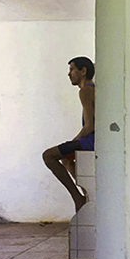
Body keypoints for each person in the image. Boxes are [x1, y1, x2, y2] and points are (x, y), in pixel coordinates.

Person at [42, 56, 95, 212]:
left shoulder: (86, 90)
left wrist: (72, 142)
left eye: (72, 69)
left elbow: (90, 126)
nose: (69, 74)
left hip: (90, 141)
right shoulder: (91, 89)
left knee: (48, 156)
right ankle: (86, 195)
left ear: (83, 71)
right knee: (66, 160)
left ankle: (78, 198)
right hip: (92, 140)